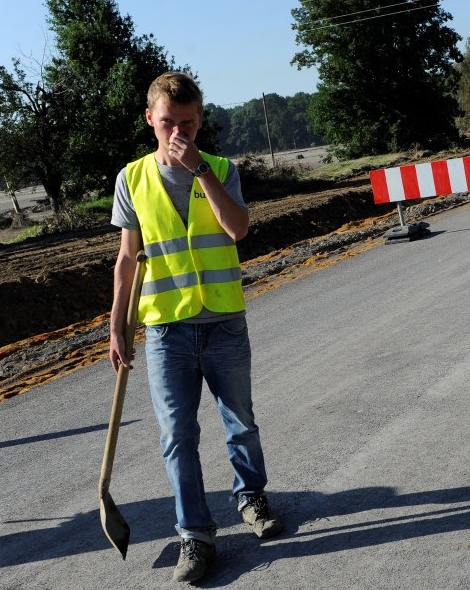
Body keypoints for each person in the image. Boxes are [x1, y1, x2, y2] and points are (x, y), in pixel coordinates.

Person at [108, 71, 281, 583]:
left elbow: (238, 228)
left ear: (200, 120)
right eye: (167, 123)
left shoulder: (221, 169)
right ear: (150, 120)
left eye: (187, 123)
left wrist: (201, 171)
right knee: (177, 435)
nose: (177, 133)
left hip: (224, 322)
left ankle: (251, 499)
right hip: (166, 331)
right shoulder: (132, 179)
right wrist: (117, 324)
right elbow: (124, 259)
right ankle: (196, 536)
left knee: (241, 424)